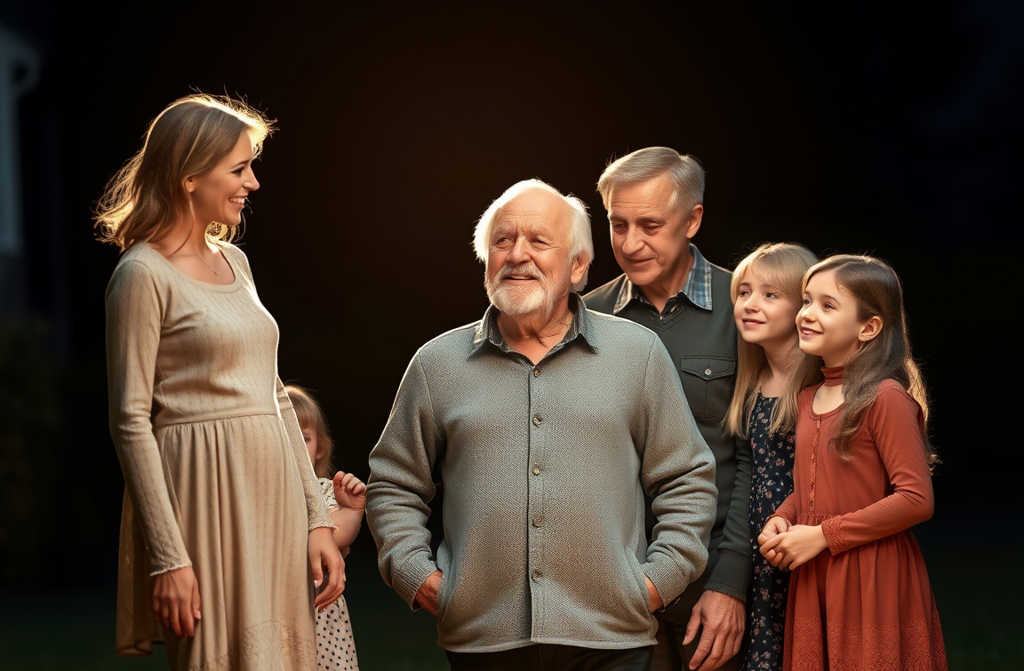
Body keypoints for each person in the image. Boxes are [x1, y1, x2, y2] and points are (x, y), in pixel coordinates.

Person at [366, 179, 717, 670]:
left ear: (578, 266)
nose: (517, 255)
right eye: (503, 241)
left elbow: (687, 478)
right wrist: (417, 576)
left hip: (612, 641)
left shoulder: (637, 354)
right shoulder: (436, 364)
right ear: (485, 260)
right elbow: (392, 485)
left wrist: (656, 583)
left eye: (538, 241)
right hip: (482, 641)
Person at [98, 93, 343, 670]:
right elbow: (130, 421)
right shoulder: (141, 274)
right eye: (239, 169)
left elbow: (274, 394)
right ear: (189, 178)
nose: (252, 183)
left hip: (274, 496)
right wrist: (169, 557)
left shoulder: (237, 262)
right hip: (202, 496)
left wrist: (317, 519)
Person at [584, 147, 751, 671]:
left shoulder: (746, 307)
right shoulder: (585, 317)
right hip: (617, 586)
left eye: (650, 225)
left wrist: (731, 584)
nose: (631, 243)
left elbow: (761, 458)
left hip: (714, 579)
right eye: (618, 224)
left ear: (692, 220)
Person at [757, 255, 947, 670]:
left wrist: (823, 535)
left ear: (869, 327)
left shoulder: (885, 398)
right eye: (807, 301)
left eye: (827, 305)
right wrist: (783, 517)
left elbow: (916, 499)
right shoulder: (807, 397)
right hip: (817, 573)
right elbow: (814, 486)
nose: (807, 314)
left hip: (872, 577)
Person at [723, 244, 817, 671]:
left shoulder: (819, 382)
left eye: (770, 295)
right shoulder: (753, 380)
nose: (750, 304)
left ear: (802, 308)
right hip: (763, 553)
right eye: (744, 293)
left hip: (806, 546)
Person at [286, 384, 363, 671]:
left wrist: (352, 510)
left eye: (303, 439)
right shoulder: (258, 496)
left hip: (320, 622)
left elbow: (336, 534)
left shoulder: (323, 490)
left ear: (320, 449)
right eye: (284, 436)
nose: (294, 447)